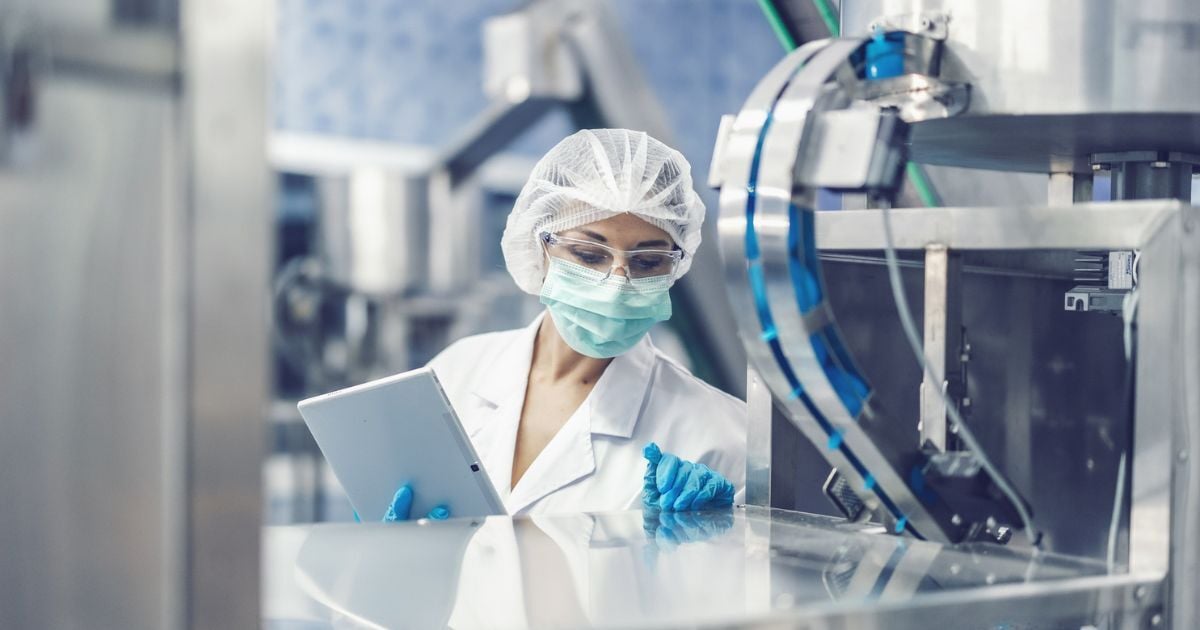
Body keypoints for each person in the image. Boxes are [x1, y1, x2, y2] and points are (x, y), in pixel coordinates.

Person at [386, 129, 746, 520]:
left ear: (675, 266)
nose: (616, 286)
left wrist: (705, 544)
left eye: (647, 263)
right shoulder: (456, 371)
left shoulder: (721, 437)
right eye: (589, 255)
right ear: (538, 245)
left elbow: (727, 579)